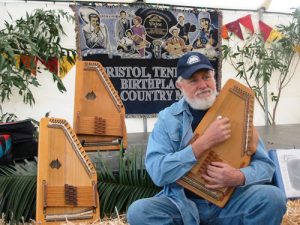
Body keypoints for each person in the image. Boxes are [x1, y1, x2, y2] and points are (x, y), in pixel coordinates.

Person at [127, 52, 287, 225]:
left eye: (206, 77)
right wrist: (201, 145)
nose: (203, 85)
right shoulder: (168, 118)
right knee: (139, 212)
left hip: (231, 203)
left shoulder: (236, 108)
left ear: (214, 78)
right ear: (180, 85)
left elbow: (266, 167)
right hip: (183, 205)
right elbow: (158, 173)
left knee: (273, 198)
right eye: (193, 80)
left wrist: (238, 176)